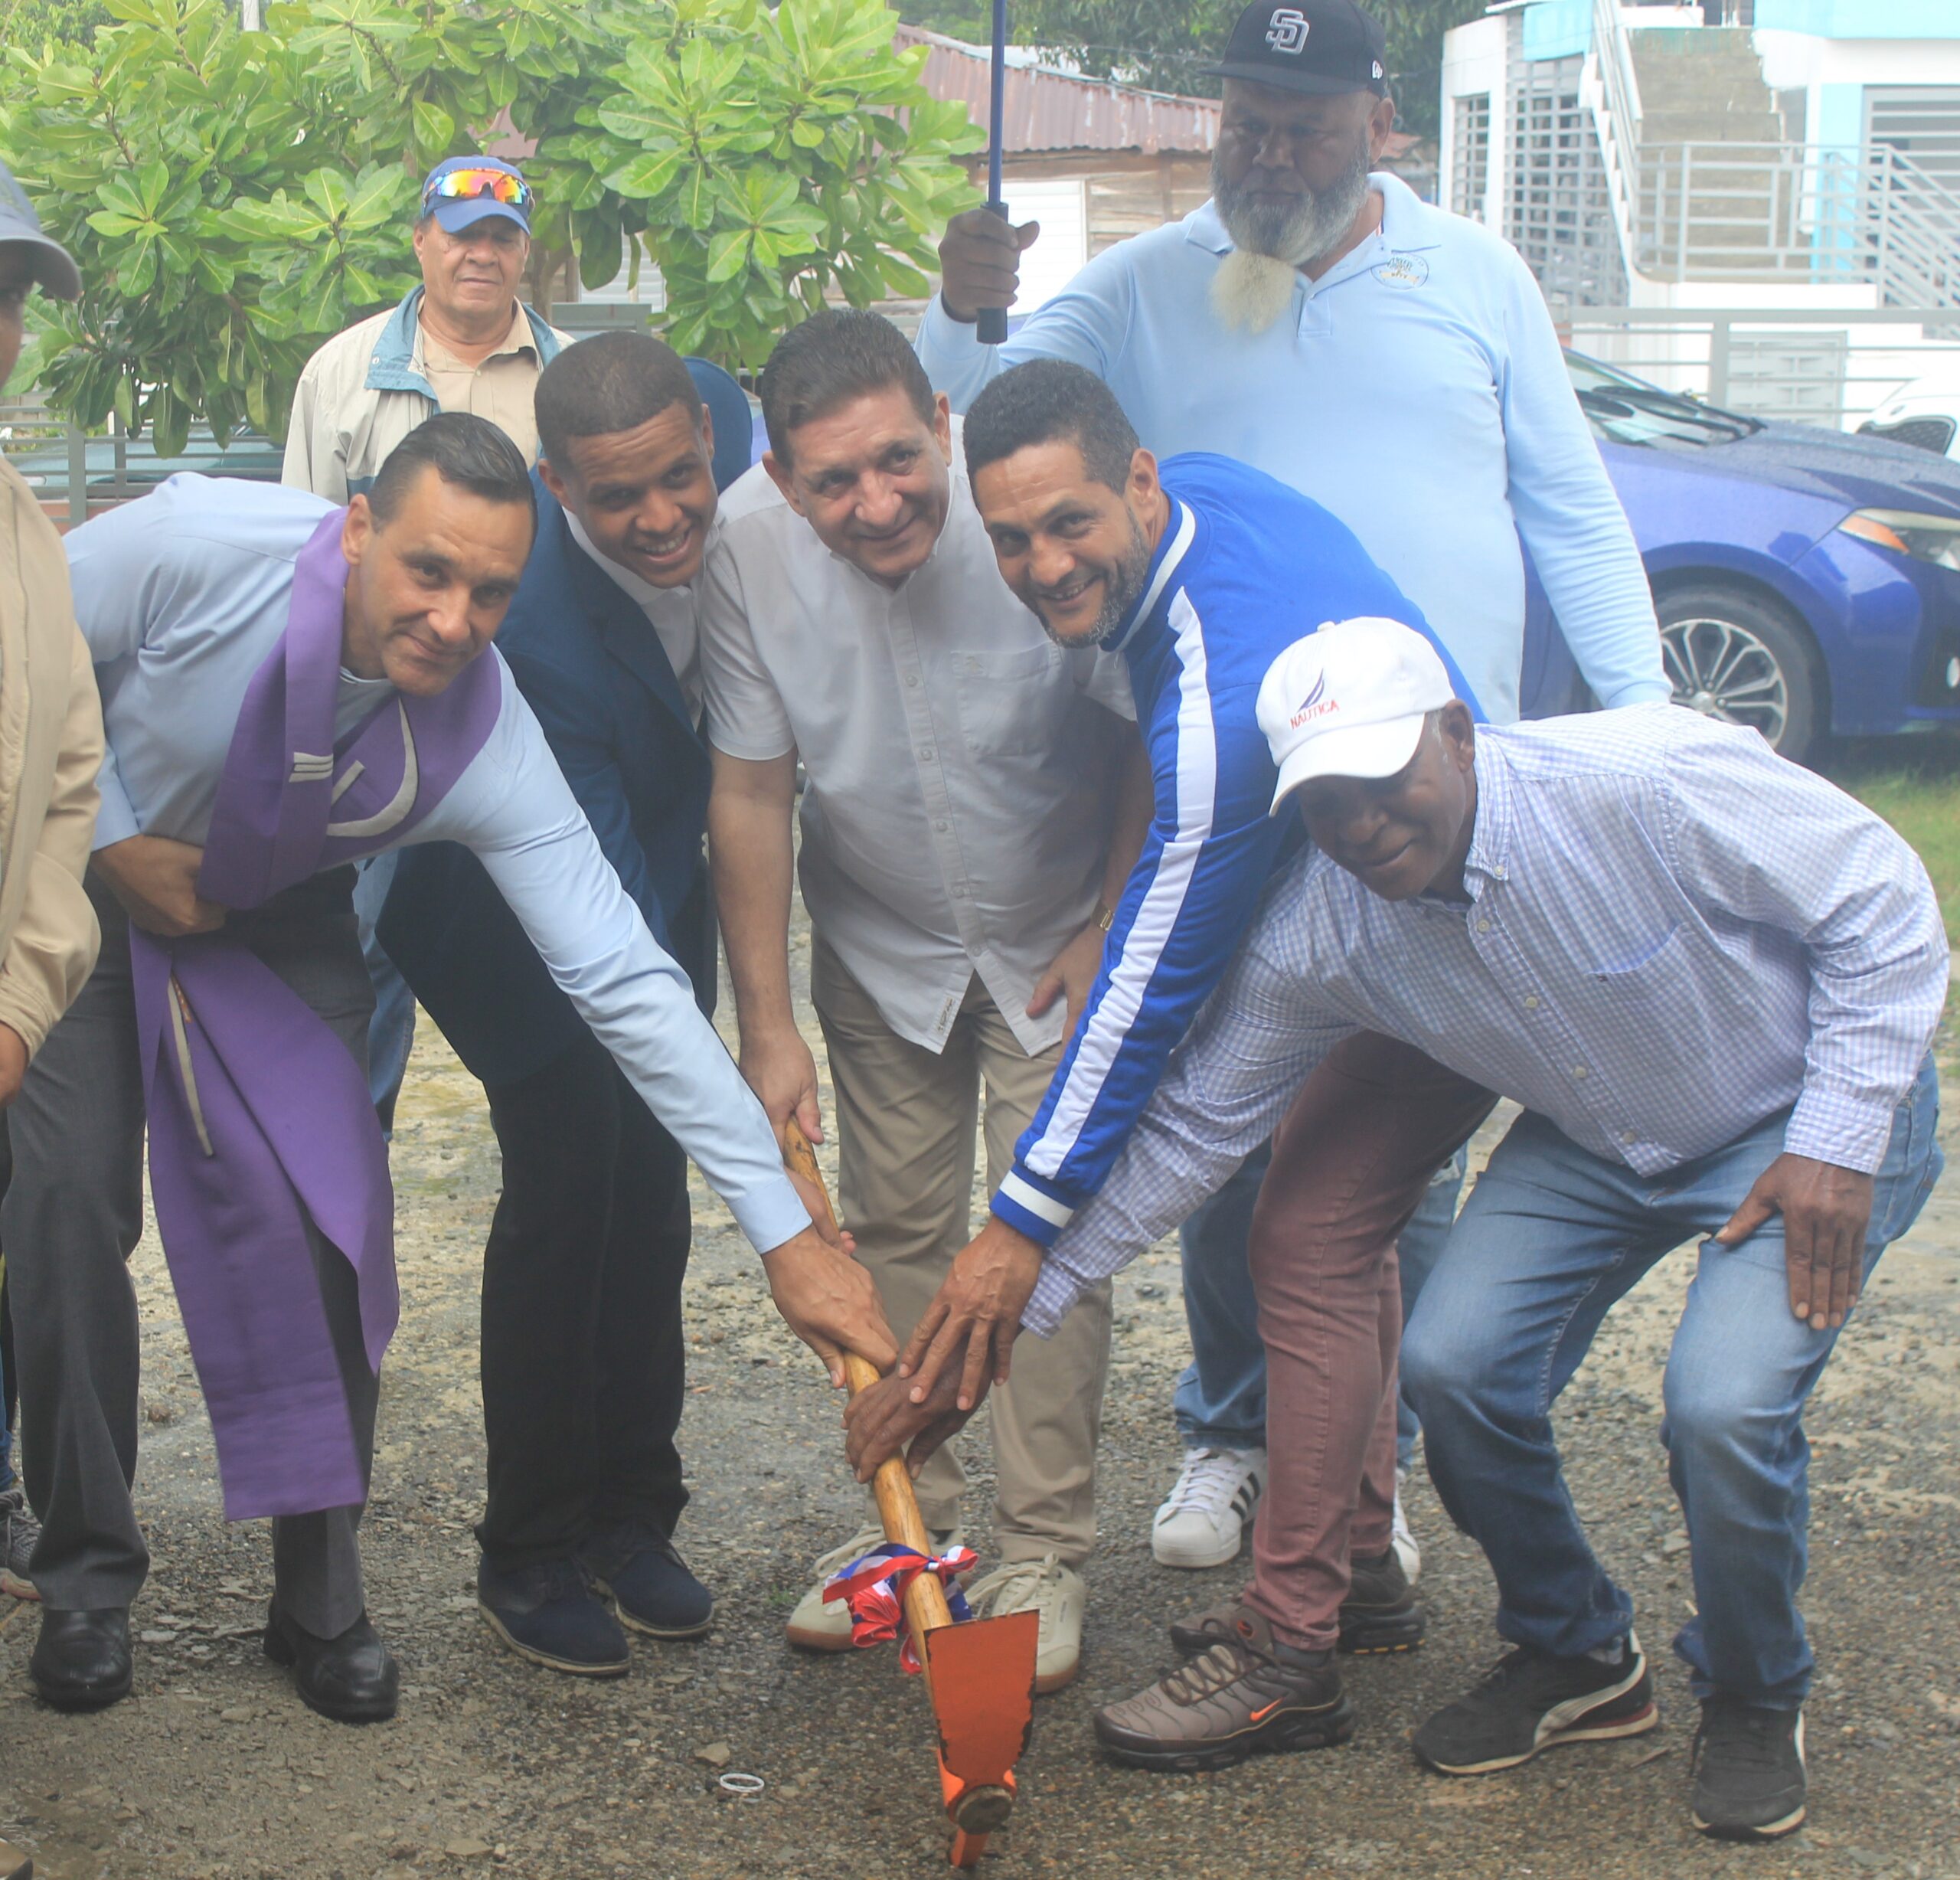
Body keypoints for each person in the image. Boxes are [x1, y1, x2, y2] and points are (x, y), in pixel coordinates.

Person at [856, 616, 1944, 1843]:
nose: (1365, 824)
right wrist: (992, 1331)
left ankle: (1755, 1691)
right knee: (1454, 1364)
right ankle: (1576, 1647)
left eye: (1386, 781)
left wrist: (1840, 1136)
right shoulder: (1327, 924)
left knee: (1722, 1403)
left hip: (1802, 1115)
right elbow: (1187, 1136)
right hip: (1603, 1136)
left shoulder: (1641, 777)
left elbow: (1884, 899)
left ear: (1460, 736)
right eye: (1327, 803)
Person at [916, 0, 1668, 1571]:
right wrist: (959, 308)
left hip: (1432, 782)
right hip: (1234, 792)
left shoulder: (1474, 277)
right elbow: (978, 419)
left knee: (1399, 1136)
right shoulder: (1138, 288)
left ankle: (1365, 1469)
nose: (1268, 154)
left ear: (1374, 122)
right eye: (1244, 121)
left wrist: (1648, 721)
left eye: (1302, 125)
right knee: (1227, 1119)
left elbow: (1571, 513)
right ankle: (1234, 1434)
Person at [2, 414, 888, 1724]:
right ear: (356, 528)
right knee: (67, 1204)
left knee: (335, 1227)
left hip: (281, 914)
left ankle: (317, 1599)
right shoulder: (199, 544)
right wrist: (119, 837)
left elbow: (625, 978)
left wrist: (781, 1232)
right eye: (427, 570)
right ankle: (85, 1578)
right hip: (80, 875)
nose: (453, 618)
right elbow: (26, 645)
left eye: (490, 592)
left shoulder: (484, 737)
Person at [858, 361, 1494, 1658]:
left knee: (1308, 1244)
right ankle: (1358, 1564)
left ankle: (1294, 1640)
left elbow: (1149, 1000)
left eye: (1071, 524)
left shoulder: (1216, 718)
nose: (1043, 564)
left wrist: (1017, 1231)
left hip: (1430, 913)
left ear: (1137, 483)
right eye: (1015, 537)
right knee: (1325, 1238)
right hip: (1387, 896)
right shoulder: (1208, 498)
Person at [699, 311, 1149, 1694]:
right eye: (833, 482)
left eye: (899, 461)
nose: (876, 501)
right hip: (879, 940)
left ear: (941, 423)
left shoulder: (1027, 522)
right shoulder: (741, 550)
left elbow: (1142, 732)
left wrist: (1108, 921)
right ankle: (921, 1538)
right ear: (781, 479)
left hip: (1050, 936)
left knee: (1043, 1240)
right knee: (893, 1229)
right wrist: (764, 1021)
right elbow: (752, 786)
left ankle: (1041, 1552)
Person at [377, 334, 743, 1675]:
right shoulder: (540, 640)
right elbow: (601, 922)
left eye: (678, 481)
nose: (657, 519)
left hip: (658, 867)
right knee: (573, 1186)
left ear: (709, 434)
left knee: (650, 1204)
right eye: (612, 499)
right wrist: (714, 1066)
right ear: (555, 488)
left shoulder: (731, 453)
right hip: (513, 909)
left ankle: (633, 1518)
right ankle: (527, 1551)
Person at [283, 155, 573, 1138]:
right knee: (361, 951)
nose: (480, 253)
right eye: (461, 232)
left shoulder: (565, 377)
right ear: (421, 239)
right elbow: (305, 553)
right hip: (373, 723)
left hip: (526, 722)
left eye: (501, 237)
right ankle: (346, 1164)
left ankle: (550, 1159)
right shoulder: (345, 372)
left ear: (523, 252)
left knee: (546, 948)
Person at [0, 163, 108, 1608]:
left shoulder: (24, 526)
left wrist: (24, 1002)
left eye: (12, 301)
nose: (1, 329)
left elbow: (68, 777)